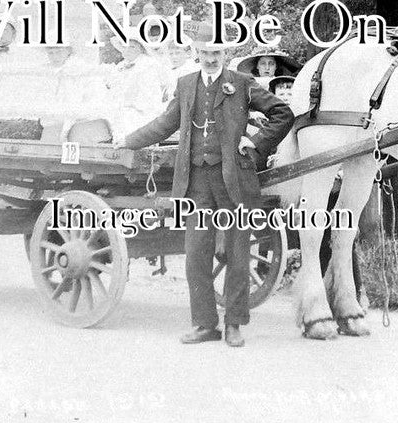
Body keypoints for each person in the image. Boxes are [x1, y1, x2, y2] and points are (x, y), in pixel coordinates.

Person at [119, 21, 294, 348]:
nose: (211, 59)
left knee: (238, 252)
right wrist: (129, 141)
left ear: (224, 53)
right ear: (196, 53)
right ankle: (204, 324)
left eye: (216, 53)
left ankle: (234, 324)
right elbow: (164, 124)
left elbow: (282, 113)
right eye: (205, 53)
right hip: (196, 182)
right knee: (195, 254)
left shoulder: (242, 83)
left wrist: (256, 144)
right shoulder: (185, 85)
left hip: (234, 183)